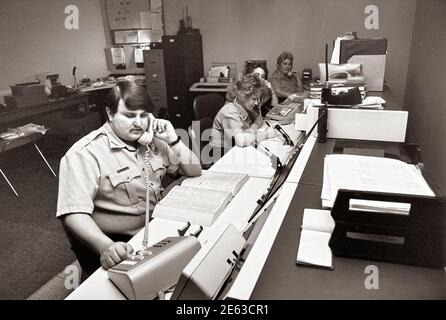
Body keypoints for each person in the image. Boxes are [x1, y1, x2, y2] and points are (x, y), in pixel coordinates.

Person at [56, 81, 201, 279]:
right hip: (121, 244)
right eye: (129, 115)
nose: (139, 123)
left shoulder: (152, 142)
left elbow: (195, 171)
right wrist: (106, 246)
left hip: (157, 231)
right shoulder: (84, 154)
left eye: (144, 115)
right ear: (110, 113)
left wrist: (173, 139)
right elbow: (73, 214)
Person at [210, 74, 277, 157]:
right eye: (254, 99)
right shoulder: (229, 111)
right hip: (221, 156)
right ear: (243, 95)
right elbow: (241, 140)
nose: (256, 103)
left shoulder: (244, 106)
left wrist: (253, 127)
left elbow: (259, 118)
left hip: (236, 150)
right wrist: (266, 134)